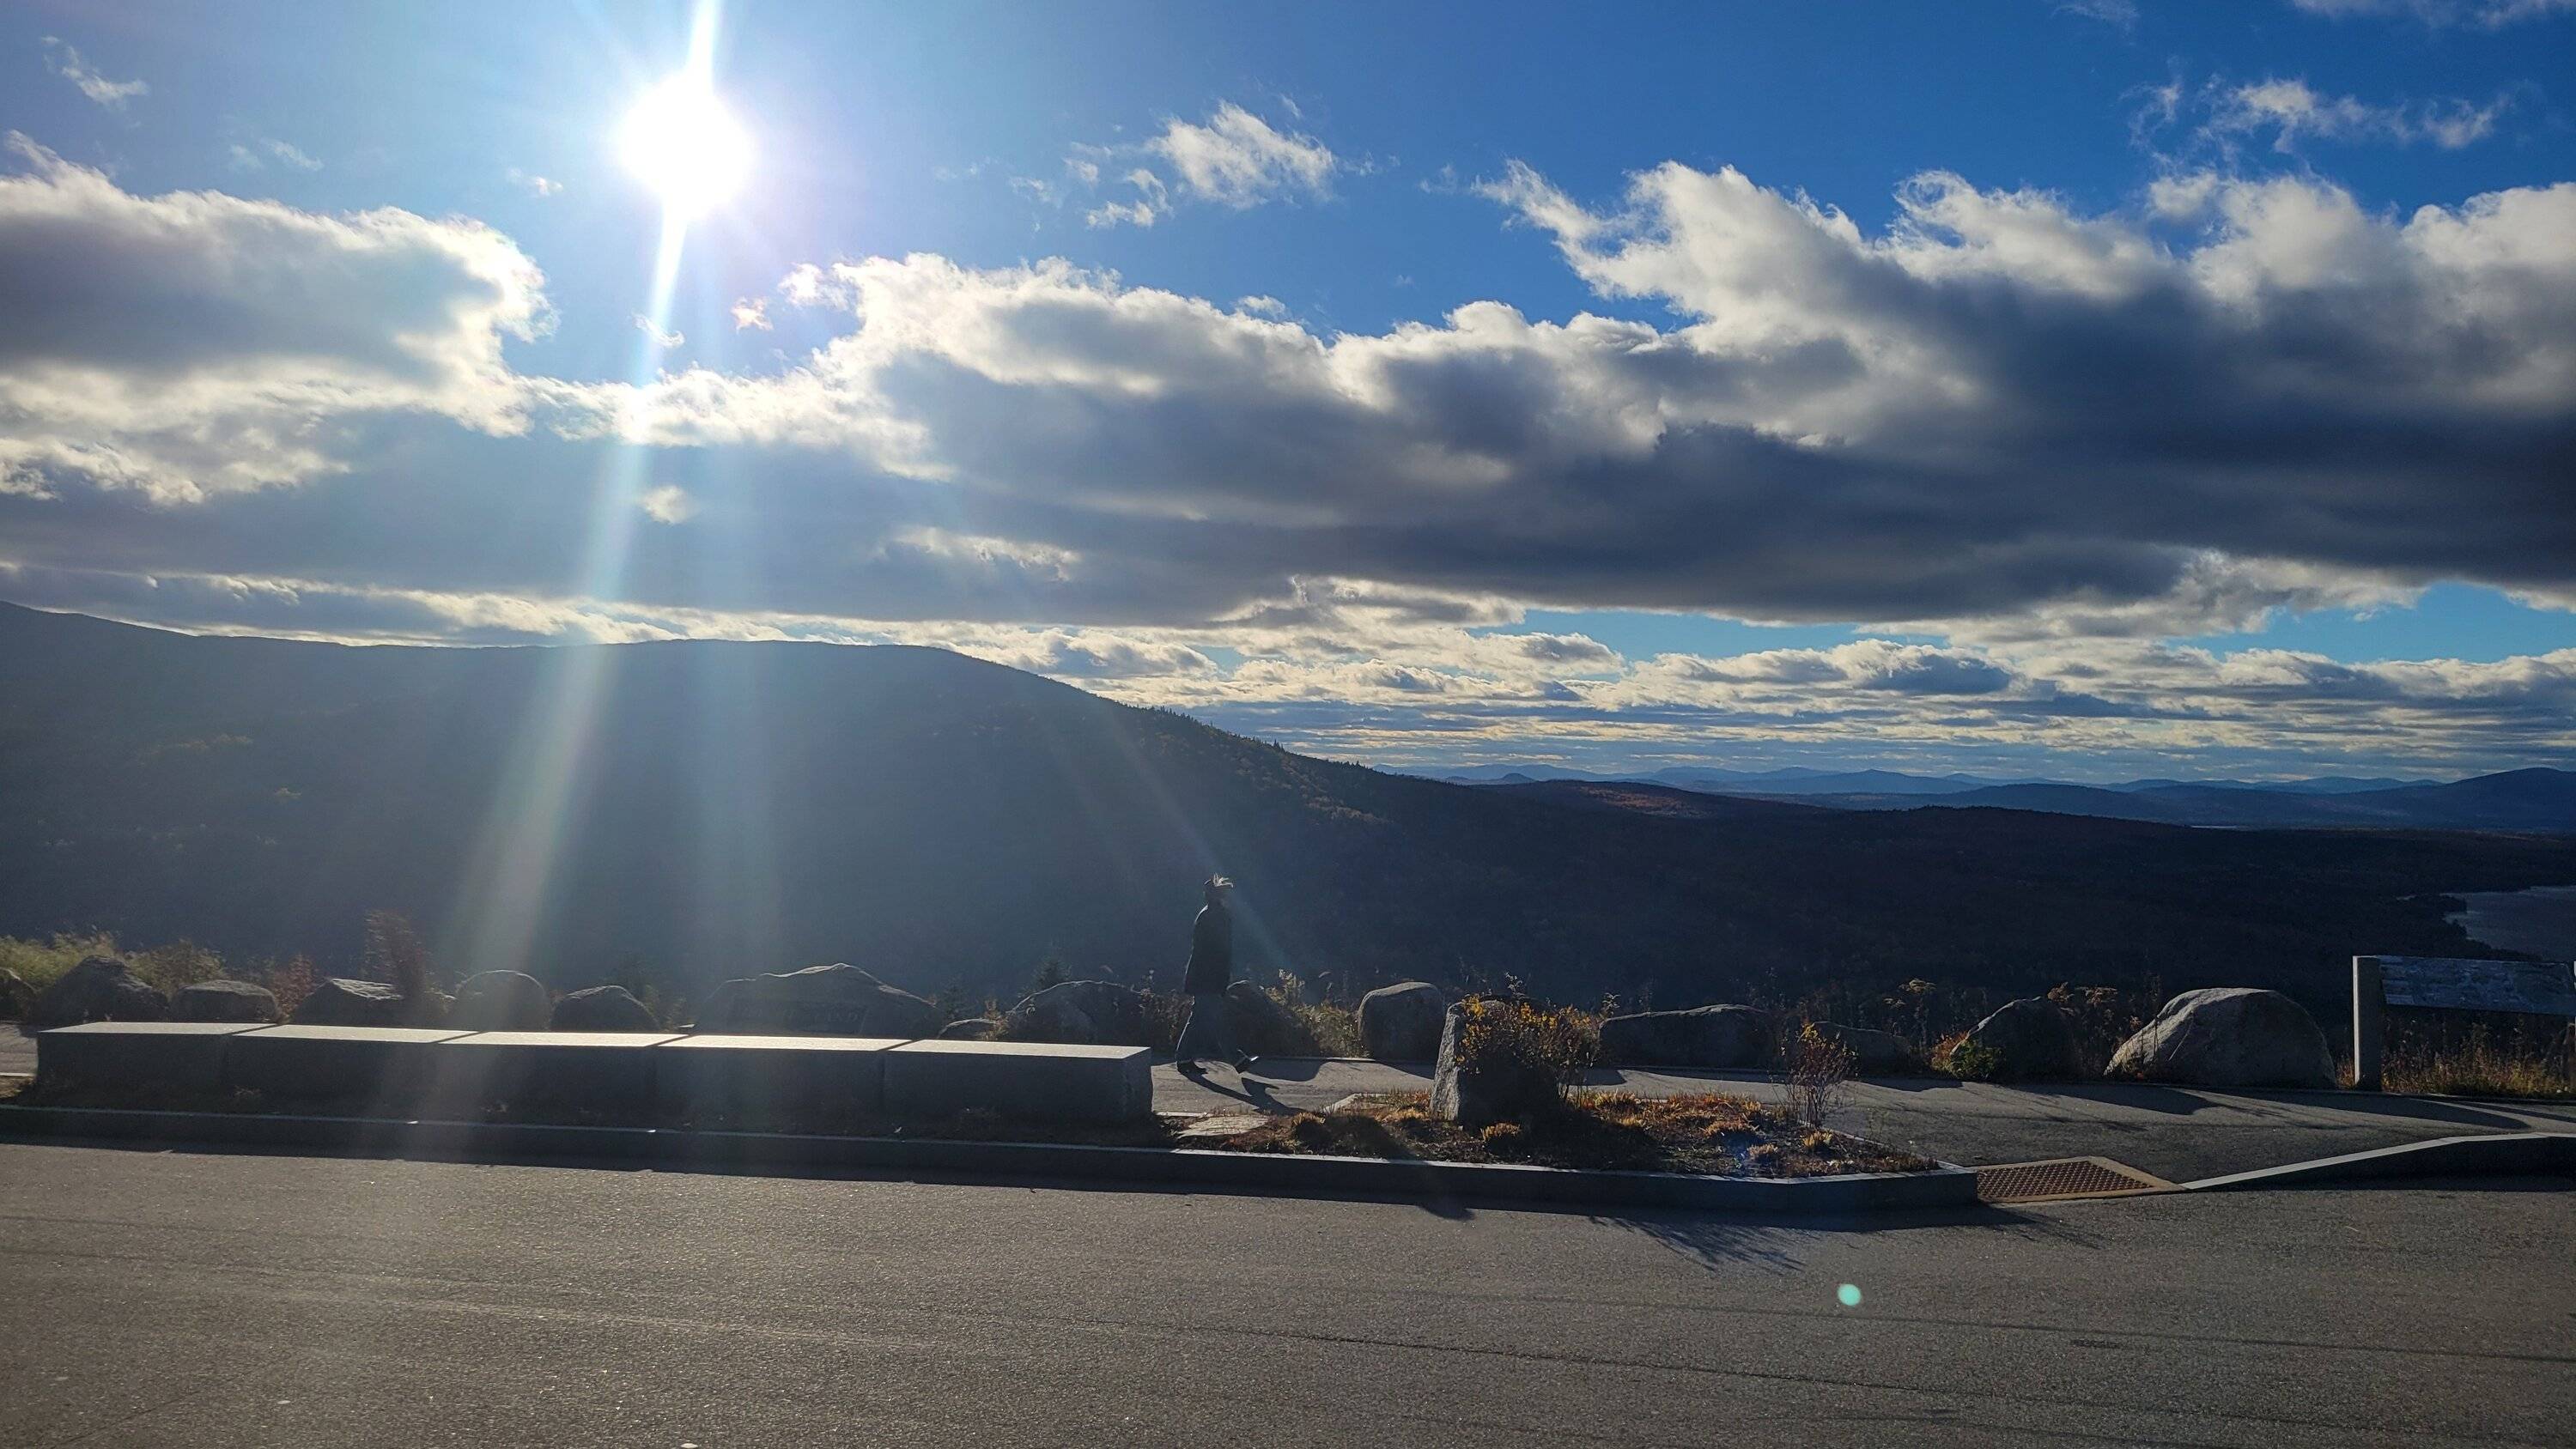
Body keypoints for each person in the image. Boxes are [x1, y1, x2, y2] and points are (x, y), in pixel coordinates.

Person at [1174, 876, 1251, 1071]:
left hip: (1202, 977)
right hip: (1208, 978)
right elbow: (1218, 952)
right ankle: (1237, 1059)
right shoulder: (1216, 916)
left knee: (1198, 1019)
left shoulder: (1209, 915)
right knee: (1217, 1019)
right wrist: (1221, 978)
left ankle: (1183, 1059)